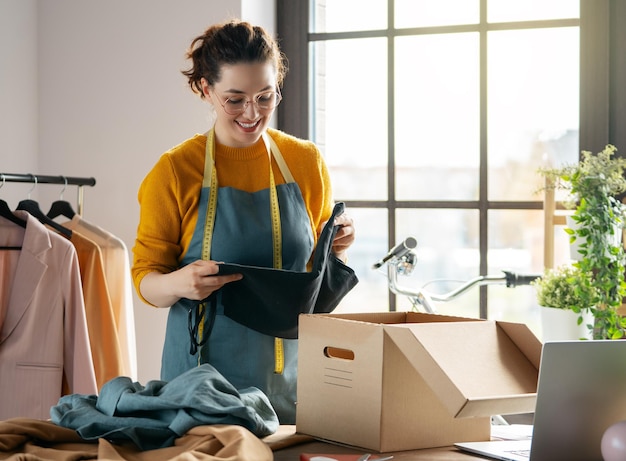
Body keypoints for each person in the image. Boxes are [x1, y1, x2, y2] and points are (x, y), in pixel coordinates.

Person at [131, 19, 355, 424]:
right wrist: (179, 283)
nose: (253, 114)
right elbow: (146, 278)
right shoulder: (176, 170)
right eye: (235, 100)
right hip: (202, 386)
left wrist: (337, 241)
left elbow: (315, 268)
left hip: (293, 383)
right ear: (205, 89)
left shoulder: (305, 161)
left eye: (265, 97)